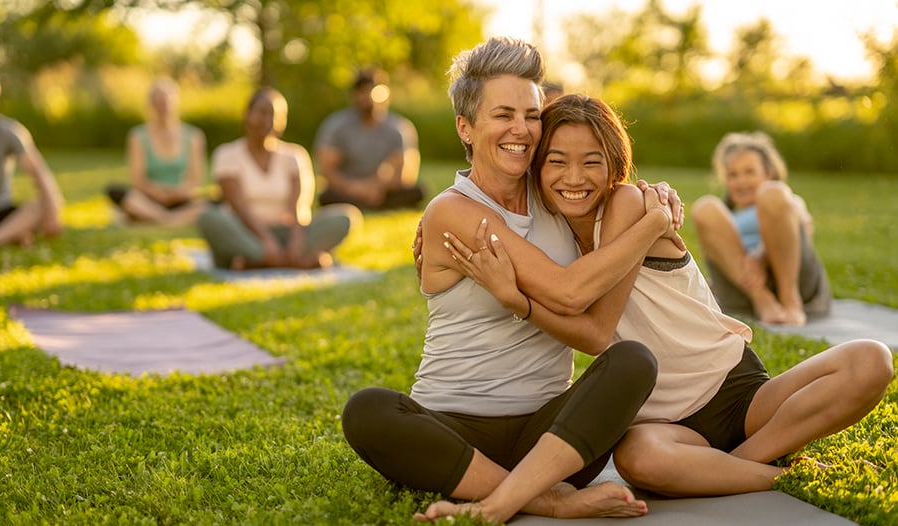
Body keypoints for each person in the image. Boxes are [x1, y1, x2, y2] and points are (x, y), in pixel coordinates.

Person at [442, 93, 894, 498]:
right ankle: (778, 474)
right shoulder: (547, 239)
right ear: (537, 168)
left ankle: (736, 467)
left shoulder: (627, 204)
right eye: (556, 161)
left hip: (736, 395)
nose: (573, 177)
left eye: (592, 161)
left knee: (870, 360)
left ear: (616, 166)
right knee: (639, 462)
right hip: (662, 426)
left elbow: (595, 326)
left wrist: (519, 302)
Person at [342, 37, 685, 524]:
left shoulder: (555, 191)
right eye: (503, 115)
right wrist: (654, 224)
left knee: (632, 362)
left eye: (532, 114)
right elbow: (569, 291)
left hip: (552, 439)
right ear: (466, 126)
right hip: (454, 431)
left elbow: (601, 176)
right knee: (367, 410)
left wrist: (655, 195)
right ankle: (546, 499)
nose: (521, 130)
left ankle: (517, 492)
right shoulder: (452, 211)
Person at [197, 87, 360, 270]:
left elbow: (298, 206)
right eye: (262, 112)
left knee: (346, 217)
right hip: (245, 232)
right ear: (247, 115)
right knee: (208, 218)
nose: (268, 120)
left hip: (287, 233)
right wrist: (266, 241)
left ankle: (258, 261)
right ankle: (278, 258)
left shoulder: (295, 155)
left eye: (275, 115)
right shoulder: (227, 155)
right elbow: (239, 206)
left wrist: (296, 240)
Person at [691, 131, 832, 326]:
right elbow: (720, 252)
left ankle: (789, 301)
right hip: (745, 286)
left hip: (791, 277)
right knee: (705, 207)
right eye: (733, 175)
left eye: (749, 172)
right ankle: (762, 299)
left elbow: (805, 233)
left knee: (772, 193)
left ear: (768, 173)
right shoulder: (726, 216)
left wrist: (760, 257)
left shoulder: (784, 200)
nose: (741, 181)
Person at [314, 67, 426, 210]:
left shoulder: (399, 127)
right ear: (354, 95)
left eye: (374, 91)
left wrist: (377, 187)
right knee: (327, 196)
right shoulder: (337, 125)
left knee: (419, 191)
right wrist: (354, 188)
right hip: (348, 189)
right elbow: (327, 170)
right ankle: (367, 204)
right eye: (363, 91)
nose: (368, 97)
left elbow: (406, 174)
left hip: (383, 189)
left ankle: (369, 203)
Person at [105, 77, 208, 226]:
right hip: (149, 199)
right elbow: (137, 180)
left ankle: (158, 218)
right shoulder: (138, 136)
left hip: (181, 199)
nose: (163, 106)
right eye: (158, 101)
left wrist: (176, 193)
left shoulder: (193, 136)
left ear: (176, 102)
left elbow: (195, 181)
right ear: (151, 104)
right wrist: (158, 193)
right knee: (116, 192)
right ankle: (171, 219)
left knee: (214, 203)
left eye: (166, 101)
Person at [0, 77, 65, 246]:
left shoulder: (9, 131)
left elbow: (39, 172)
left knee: (42, 206)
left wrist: (52, 213)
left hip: (2, 209)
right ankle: (15, 233)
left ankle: (5, 235)